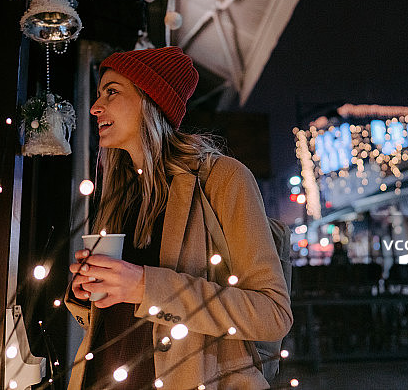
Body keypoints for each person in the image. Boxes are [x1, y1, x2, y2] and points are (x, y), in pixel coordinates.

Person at [65, 46, 292, 390]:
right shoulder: (119, 193)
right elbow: (122, 322)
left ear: (150, 100)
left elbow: (272, 314)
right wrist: (87, 294)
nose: (96, 107)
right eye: (99, 95)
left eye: (111, 92)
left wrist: (143, 285)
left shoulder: (222, 179)